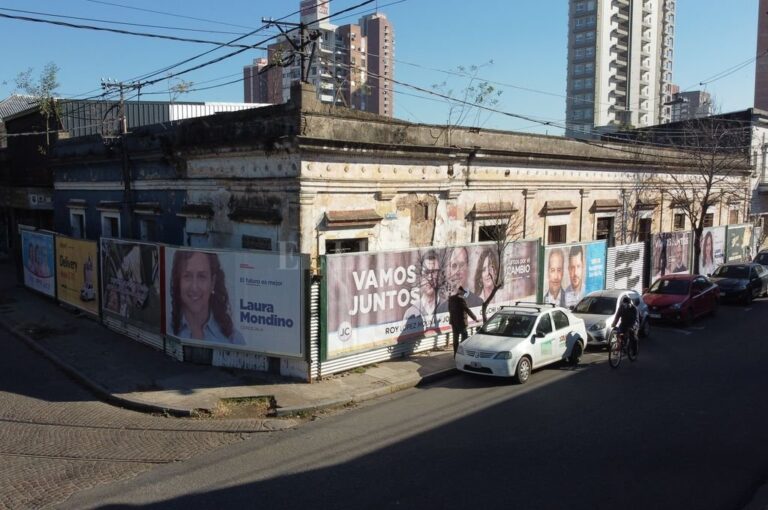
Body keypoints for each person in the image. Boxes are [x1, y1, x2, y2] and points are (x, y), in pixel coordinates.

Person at [170, 250, 245, 345]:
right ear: (178, 282)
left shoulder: (234, 339)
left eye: (202, 276)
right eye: (187, 276)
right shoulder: (166, 330)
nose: (194, 287)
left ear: (212, 282)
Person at [403, 250, 442, 333]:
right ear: (420, 277)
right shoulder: (411, 313)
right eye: (426, 272)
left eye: (434, 272)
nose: (430, 278)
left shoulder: (448, 306)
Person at [437, 247, 483, 313]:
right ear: (449, 271)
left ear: (467, 268)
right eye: (454, 266)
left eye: (461, 265)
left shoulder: (478, 303)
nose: (457, 272)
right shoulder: (441, 310)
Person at [448, 286, 478, 355]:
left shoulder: (451, 298)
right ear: (460, 291)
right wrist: (474, 318)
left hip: (453, 322)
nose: (464, 294)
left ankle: (455, 354)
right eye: (463, 292)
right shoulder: (461, 299)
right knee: (464, 338)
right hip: (461, 322)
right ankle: (462, 353)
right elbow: (467, 309)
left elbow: (449, 310)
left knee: (455, 338)